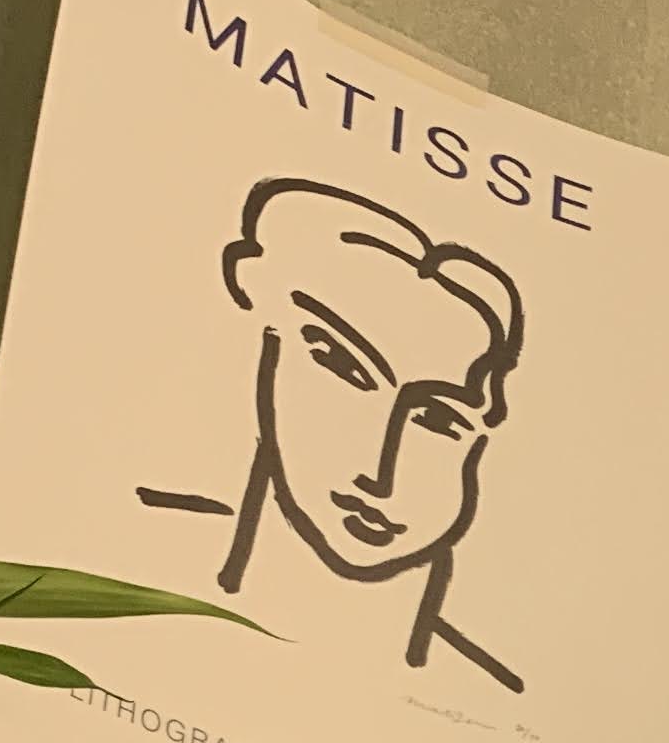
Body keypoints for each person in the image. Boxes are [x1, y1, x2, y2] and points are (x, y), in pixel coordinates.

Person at [140, 176, 528, 694]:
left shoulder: (491, 696)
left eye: (439, 420)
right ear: (271, 339)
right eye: (342, 366)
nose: (379, 474)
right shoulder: (132, 553)